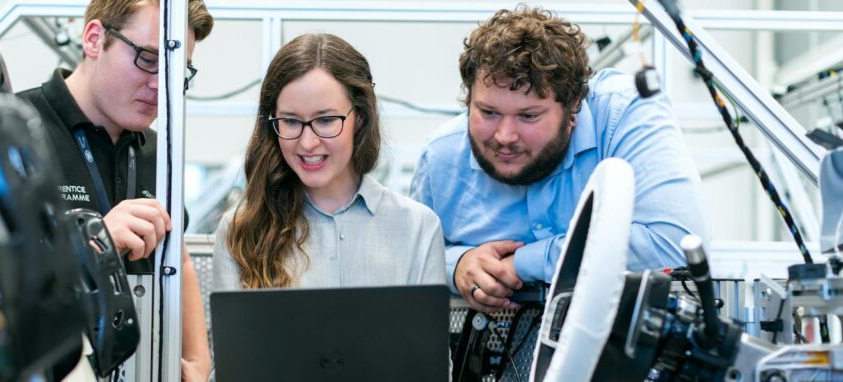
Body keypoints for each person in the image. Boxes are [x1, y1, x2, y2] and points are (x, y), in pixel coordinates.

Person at [410, 5, 709, 313]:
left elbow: (674, 243)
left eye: (528, 116)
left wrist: (521, 264)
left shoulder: (624, 115)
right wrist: (457, 265)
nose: (504, 136)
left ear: (574, 104)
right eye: (488, 112)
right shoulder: (440, 158)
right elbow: (412, 258)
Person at [16, 0, 213, 380]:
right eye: (148, 59)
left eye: (176, 70)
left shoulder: (160, 152)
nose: (161, 85)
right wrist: (93, 245)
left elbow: (181, 258)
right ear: (94, 39)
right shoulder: (14, 133)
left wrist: (197, 356)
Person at [212, 33, 445, 291]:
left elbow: (424, 332)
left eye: (325, 120)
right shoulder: (240, 231)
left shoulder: (418, 229)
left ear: (361, 118)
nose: (308, 143)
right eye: (290, 121)